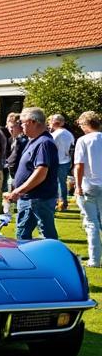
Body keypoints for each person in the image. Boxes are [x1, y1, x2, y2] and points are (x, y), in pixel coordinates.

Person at [5, 107, 59, 240]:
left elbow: (41, 172)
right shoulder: (35, 141)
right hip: (31, 198)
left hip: (37, 198)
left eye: (23, 122)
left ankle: (55, 259)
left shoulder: (44, 143)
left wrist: (19, 191)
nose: (21, 126)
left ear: (33, 122)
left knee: (46, 236)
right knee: (23, 235)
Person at [73, 111, 102, 267]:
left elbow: (79, 165)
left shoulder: (83, 140)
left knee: (91, 223)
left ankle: (95, 259)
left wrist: (77, 186)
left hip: (89, 185)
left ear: (85, 124)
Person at [50, 114, 75, 212]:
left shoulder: (55, 134)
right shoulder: (69, 134)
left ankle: (59, 203)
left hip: (56, 161)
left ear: (55, 123)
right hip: (66, 160)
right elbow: (71, 148)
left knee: (56, 183)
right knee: (62, 183)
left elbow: (50, 147)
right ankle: (63, 202)